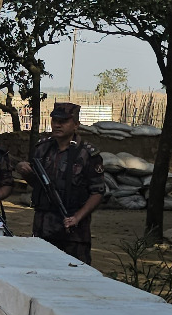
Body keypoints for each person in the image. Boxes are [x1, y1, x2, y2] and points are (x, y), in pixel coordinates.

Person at [18, 102, 106, 263]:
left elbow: (98, 192)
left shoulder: (87, 154)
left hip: (73, 232)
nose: (57, 125)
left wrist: (77, 217)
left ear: (76, 125)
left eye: (63, 121)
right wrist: (26, 173)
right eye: (55, 121)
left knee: (75, 273)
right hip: (44, 229)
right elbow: (38, 185)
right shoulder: (42, 149)